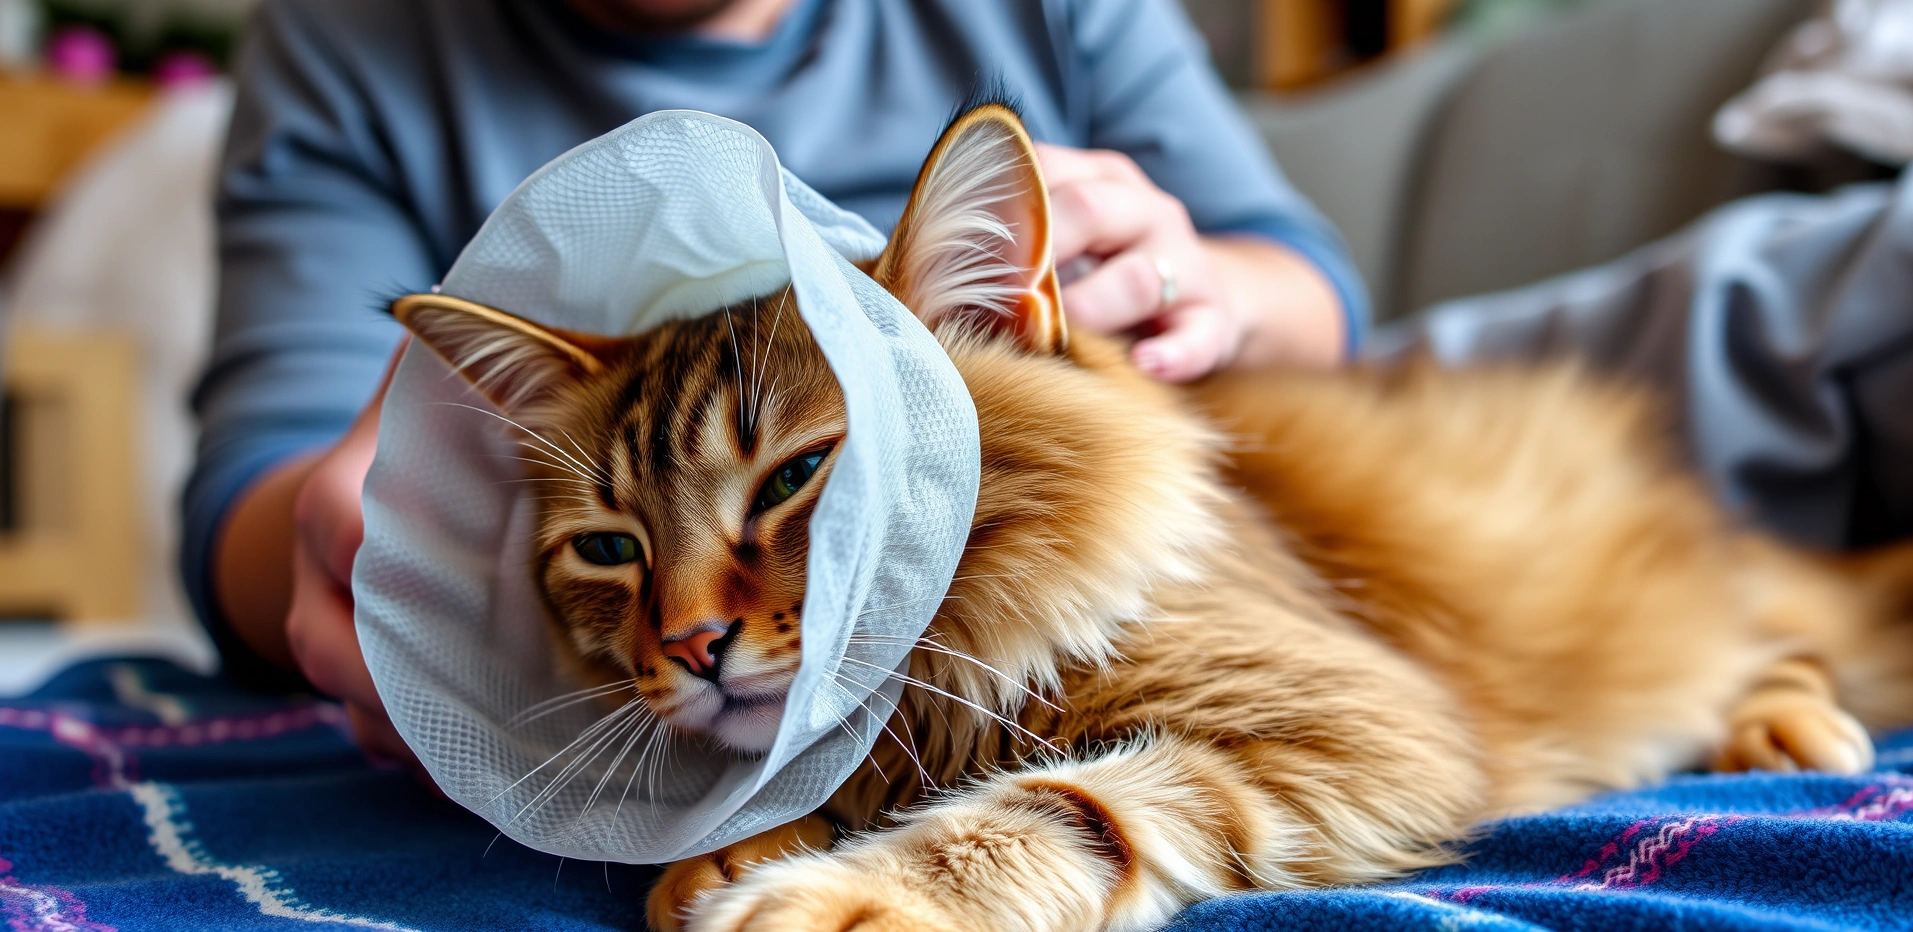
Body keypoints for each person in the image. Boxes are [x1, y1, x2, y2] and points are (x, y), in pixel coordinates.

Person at [190, 0, 1367, 756]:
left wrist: (1206, 286)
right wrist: (360, 540)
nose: (696, 625)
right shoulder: (346, 34)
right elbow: (256, 484)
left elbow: (1310, 291)